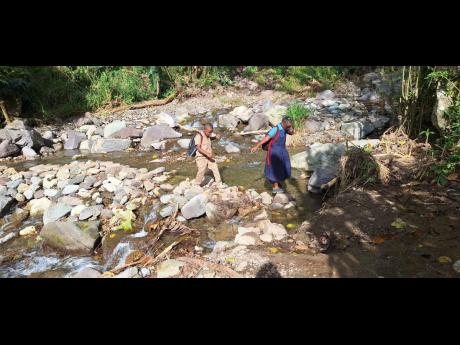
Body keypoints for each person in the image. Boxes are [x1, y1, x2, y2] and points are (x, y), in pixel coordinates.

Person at [251, 116, 294, 193]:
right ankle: (275, 188)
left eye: (290, 125)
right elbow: (266, 138)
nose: (289, 126)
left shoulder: (285, 128)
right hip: (274, 152)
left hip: (282, 150)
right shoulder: (275, 129)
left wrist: (291, 129)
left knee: (285, 166)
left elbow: (291, 133)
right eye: (288, 125)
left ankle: (278, 181)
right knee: (275, 168)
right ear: (283, 122)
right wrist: (256, 146)